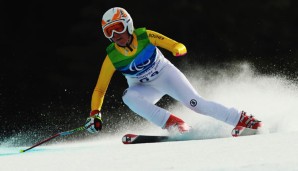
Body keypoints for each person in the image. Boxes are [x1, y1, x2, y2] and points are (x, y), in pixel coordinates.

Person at [84, 7, 262, 137]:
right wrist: (95, 114)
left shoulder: (145, 36)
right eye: (109, 31)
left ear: (128, 25)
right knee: (128, 97)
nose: (115, 34)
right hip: (145, 88)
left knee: (196, 104)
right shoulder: (112, 57)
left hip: (166, 76)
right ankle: (175, 123)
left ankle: (242, 119)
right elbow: (100, 89)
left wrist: (178, 49)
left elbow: (175, 44)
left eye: (119, 28)